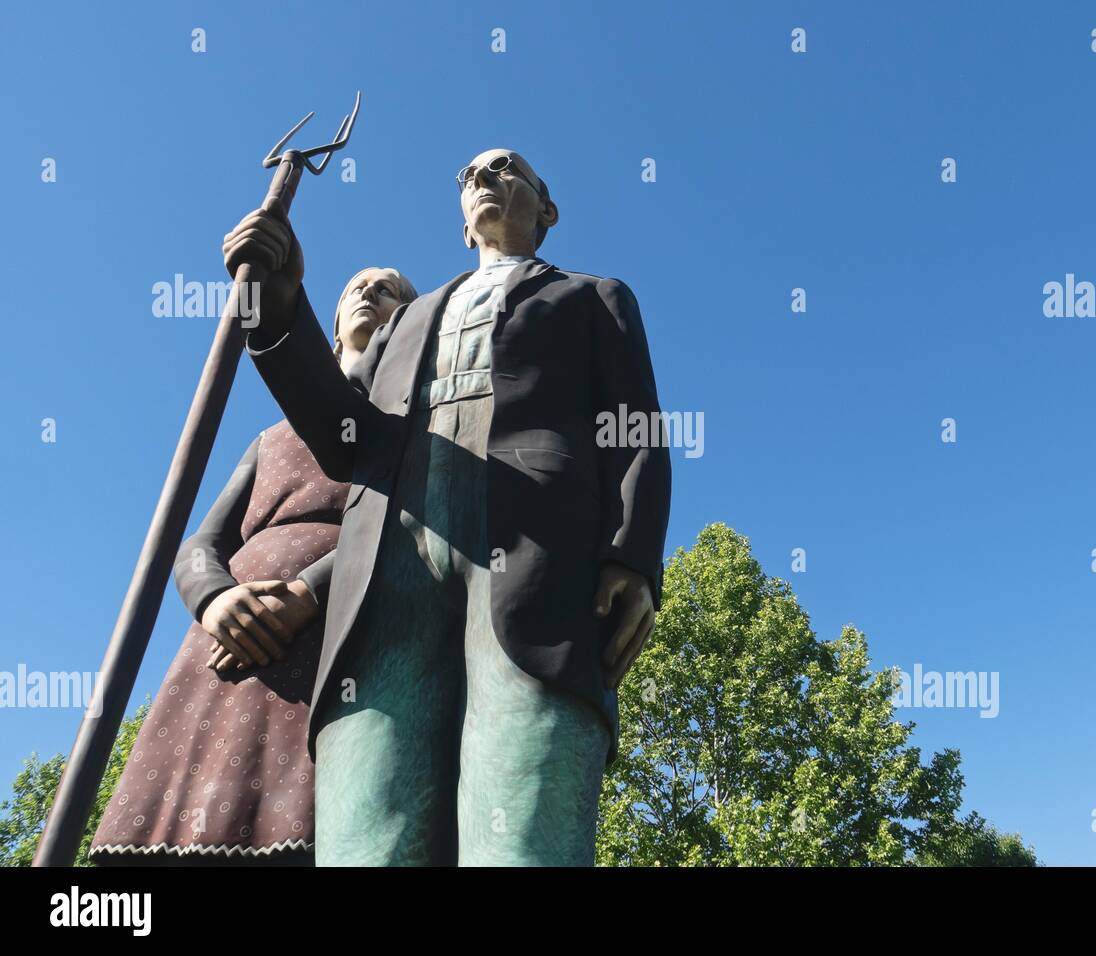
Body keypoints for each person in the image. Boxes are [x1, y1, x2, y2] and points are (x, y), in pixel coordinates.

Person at [223, 148, 672, 866]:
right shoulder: (407, 323)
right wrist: (276, 303)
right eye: (467, 176)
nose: (482, 181)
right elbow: (344, 436)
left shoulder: (594, 297)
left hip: (535, 552)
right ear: (462, 223)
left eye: (504, 169)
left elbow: (637, 429)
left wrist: (633, 555)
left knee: (523, 806)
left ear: (546, 209)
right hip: (388, 562)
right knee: (369, 815)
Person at [89, 267, 417, 864]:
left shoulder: (420, 426)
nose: (370, 292)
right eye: (356, 287)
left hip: (348, 625)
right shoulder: (270, 438)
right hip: (224, 640)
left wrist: (310, 593)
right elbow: (200, 543)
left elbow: (417, 522)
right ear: (335, 323)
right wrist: (216, 599)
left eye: (389, 288)